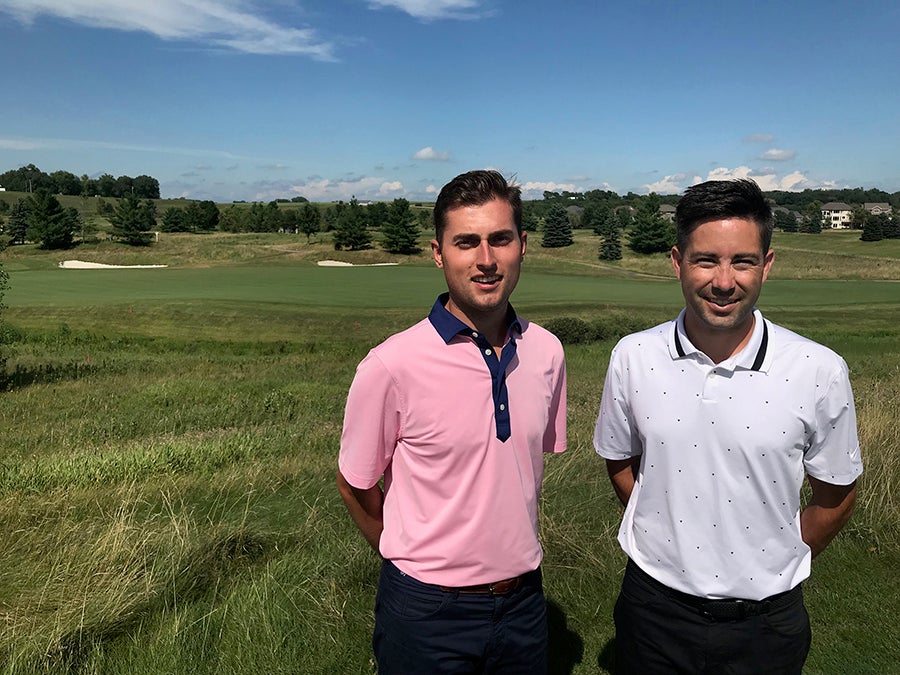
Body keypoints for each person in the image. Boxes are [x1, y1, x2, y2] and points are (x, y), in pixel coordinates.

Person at [593, 178, 862, 674]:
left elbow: (836, 497)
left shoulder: (819, 369)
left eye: (742, 261)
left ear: (767, 264)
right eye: (705, 260)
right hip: (653, 609)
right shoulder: (632, 355)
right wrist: (663, 521)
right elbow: (619, 458)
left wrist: (773, 555)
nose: (723, 281)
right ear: (677, 262)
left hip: (767, 622)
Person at [338, 169, 567, 674]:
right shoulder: (391, 365)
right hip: (425, 611)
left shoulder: (547, 351)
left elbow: (519, 470)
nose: (486, 260)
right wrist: (412, 559)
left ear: (522, 246)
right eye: (466, 243)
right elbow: (355, 484)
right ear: (439, 253)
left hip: (524, 601)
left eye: (500, 240)